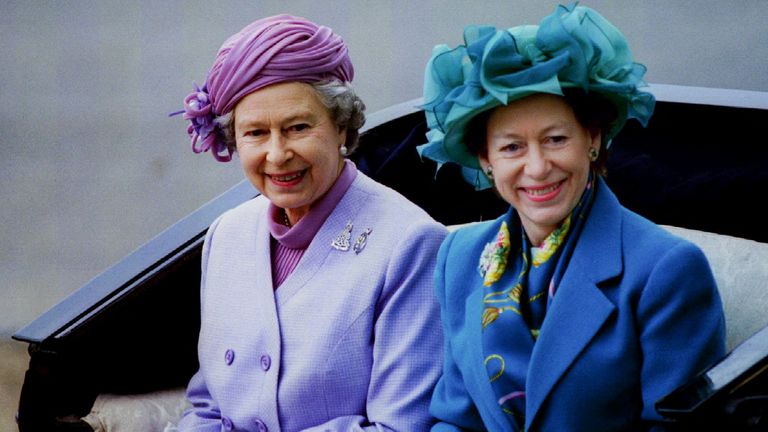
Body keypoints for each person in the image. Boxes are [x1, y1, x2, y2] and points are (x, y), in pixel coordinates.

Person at [418, 4, 725, 431]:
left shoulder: (665, 269)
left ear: (593, 140)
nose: (538, 166)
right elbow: (456, 418)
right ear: (485, 160)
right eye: (511, 148)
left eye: (556, 139)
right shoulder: (460, 256)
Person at [173, 15, 447, 431]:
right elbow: (208, 405)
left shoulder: (410, 244)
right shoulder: (227, 235)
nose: (277, 153)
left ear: (341, 126)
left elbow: (400, 427)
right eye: (255, 133)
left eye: (298, 127)